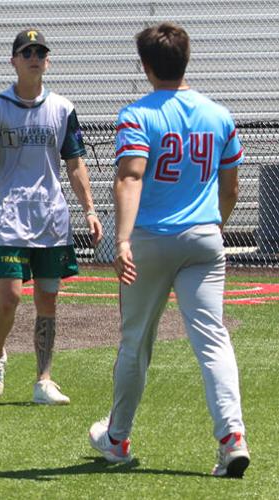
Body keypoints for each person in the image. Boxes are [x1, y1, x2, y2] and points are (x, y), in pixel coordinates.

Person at [88, 22, 250, 478]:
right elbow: (231, 188)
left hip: (150, 240)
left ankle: (117, 438)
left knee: (135, 342)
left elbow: (131, 176)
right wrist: (213, 226)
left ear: (145, 66)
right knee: (213, 341)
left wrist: (122, 240)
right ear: (187, 58)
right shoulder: (219, 115)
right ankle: (232, 437)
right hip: (204, 238)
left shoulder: (137, 115)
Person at [0, 29, 101, 405]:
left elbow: (75, 163)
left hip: (50, 218)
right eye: (26, 53)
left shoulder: (62, 109)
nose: (34, 58)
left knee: (48, 299)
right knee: (10, 296)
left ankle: (44, 379)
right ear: (13, 61)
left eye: (39, 52)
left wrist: (90, 209)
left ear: (48, 61)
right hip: (8, 215)